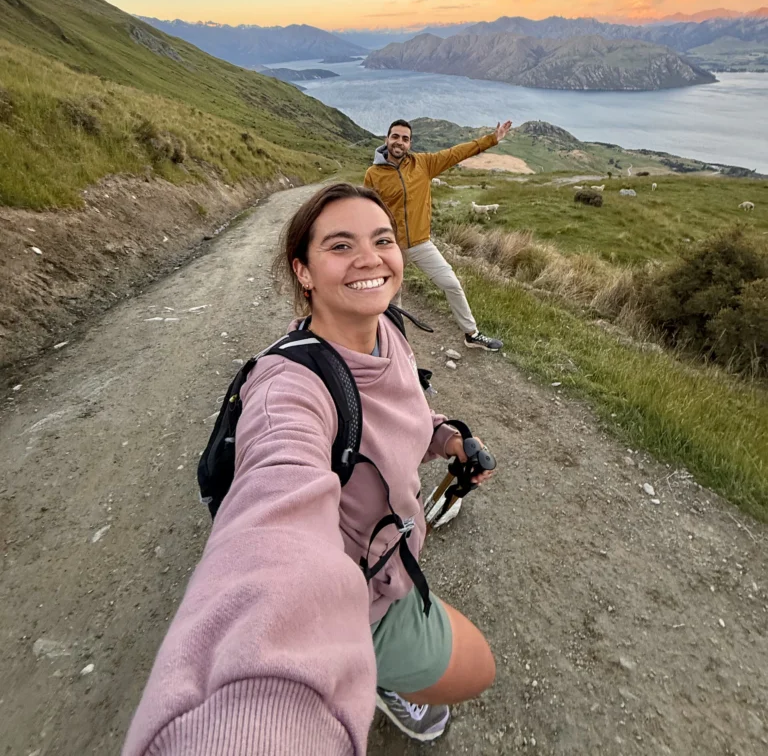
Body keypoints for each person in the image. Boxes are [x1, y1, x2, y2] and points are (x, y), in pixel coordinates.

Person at [123, 183, 495, 756]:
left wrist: (446, 439)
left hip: (390, 549)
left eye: (383, 240)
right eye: (340, 246)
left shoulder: (387, 329)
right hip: (353, 594)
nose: (370, 258)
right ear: (303, 271)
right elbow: (273, 519)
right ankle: (370, 671)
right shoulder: (287, 389)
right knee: (477, 668)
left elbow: (403, 416)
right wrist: (250, 714)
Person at [364, 118, 513, 350]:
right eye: (395, 137)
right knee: (392, 298)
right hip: (391, 246)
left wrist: (491, 139)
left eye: (405, 139)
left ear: (410, 143)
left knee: (451, 283)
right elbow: (368, 213)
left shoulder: (423, 164)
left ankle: (471, 334)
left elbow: (456, 153)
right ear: (386, 140)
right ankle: (395, 348)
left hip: (421, 243)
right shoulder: (373, 174)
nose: (399, 142)